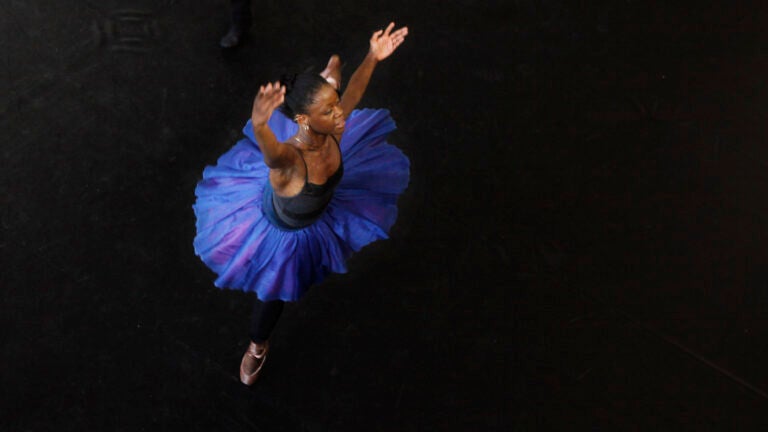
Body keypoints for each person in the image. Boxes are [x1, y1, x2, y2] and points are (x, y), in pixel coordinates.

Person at [194, 22, 410, 385]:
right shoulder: (290, 165)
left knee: (342, 87)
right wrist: (261, 127)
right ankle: (257, 347)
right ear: (303, 120)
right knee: (274, 293)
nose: (341, 115)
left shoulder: (334, 126)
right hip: (284, 230)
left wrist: (373, 56)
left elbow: (354, 94)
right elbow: (273, 154)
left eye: (334, 105)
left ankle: (331, 70)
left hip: (318, 207)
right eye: (330, 110)